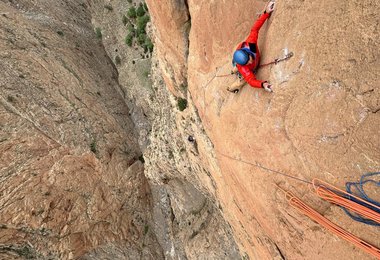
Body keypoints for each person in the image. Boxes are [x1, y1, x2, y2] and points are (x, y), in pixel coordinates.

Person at [227, 1, 275, 93]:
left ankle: (233, 70)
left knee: (237, 66)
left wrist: (266, 12)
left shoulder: (250, 44)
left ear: (247, 52)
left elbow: (255, 29)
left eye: (248, 58)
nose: (250, 61)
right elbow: (251, 81)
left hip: (238, 61)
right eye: (247, 62)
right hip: (238, 64)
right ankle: (230, 88)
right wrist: (263, 84)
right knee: (241, 81)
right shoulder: (243, 68)